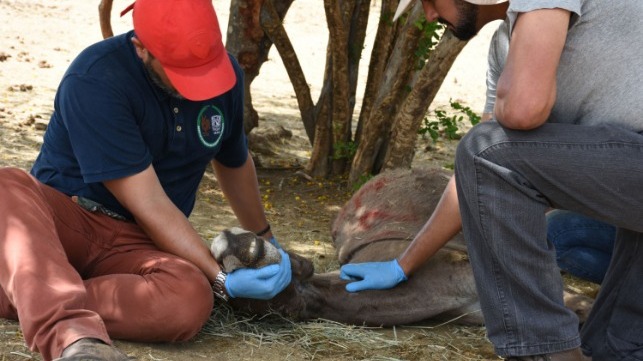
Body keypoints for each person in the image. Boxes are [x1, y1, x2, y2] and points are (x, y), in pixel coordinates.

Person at [340, 0, 643, 360]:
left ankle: (544, 352)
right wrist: (402, 264)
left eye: (429, 0)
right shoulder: (504, 46)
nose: (429, 15)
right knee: (612, 350)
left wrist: (501, 115)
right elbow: (476, 179)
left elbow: (518, 113)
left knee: (484, 151)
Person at [0, 0, 292, 360]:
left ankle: (33, 292)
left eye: (205, 68)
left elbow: (234, 162)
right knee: (5, 186)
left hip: (142, 242)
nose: (201, 87)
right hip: (63, 223)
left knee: (189, 298)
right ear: (141, 49)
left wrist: (268, 240)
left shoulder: (224, 75)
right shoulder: (95, 78)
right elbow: (149, 202)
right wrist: (222, 279)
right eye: (183, 73)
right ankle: (72, 334)